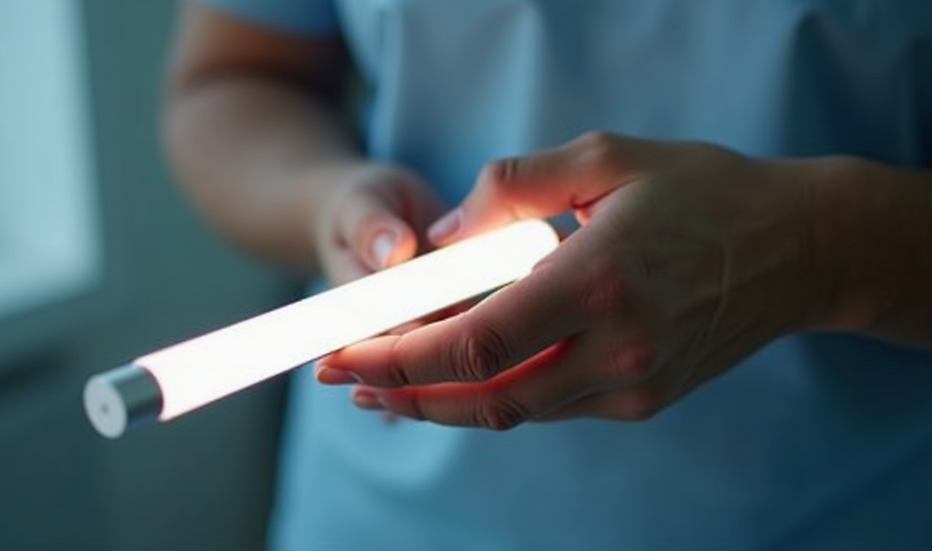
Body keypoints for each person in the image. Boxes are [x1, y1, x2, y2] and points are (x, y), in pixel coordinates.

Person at [164, 1, 932, 549]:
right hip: (382, 513)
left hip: (842, 507)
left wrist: (818, 248)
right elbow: (236, 76)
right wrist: (326, 199)